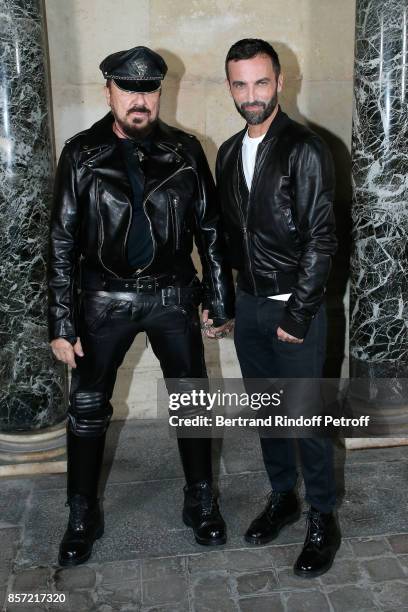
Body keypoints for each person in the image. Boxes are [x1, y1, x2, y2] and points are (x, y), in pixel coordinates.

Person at [48, 45, 234, 567]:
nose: (139, 100)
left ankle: (200, 499)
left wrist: (218, 298)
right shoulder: (81, 153)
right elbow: (61, 240)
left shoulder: (186, 151)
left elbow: (211, 231)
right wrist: (62, 321)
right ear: (107, 90)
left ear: (160, 92)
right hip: (102, 300)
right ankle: (81, 511)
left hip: (173, 296)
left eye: (148, 89)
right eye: (128, 89)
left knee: (193, 403)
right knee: (87, 409)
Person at [216, 38, 340, 578]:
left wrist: (298, 312)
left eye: (260, 82)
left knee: (307, 420)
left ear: (280, 82)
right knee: (267, 413)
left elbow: (322, 240)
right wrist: (221, 301)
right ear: (230, 86)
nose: (251, 95)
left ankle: (323, 517)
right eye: (240, 84)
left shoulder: (304, 148)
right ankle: (283, 497)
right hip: (249, 307)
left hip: (296, 310)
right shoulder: (225, 151)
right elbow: (221, 236)